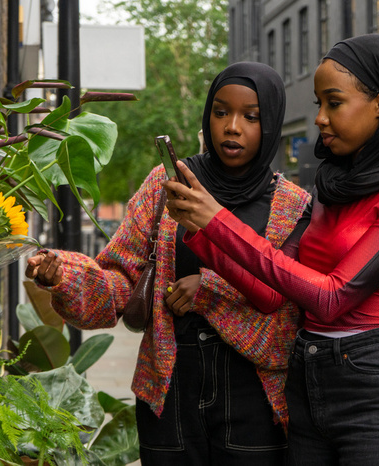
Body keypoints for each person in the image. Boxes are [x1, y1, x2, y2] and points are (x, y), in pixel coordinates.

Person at [165, 34, 379, 465]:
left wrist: (217, 221)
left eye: (333, 103)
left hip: (373, 383)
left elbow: (332, 296)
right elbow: (270, 293)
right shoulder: (332, 184)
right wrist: (199, 232)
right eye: (319, 103)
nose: (319, 118)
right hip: (306, 375)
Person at [25, 62, 311, 465]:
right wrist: (66, 276)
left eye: (251, 117)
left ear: (272, 124)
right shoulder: (167, 186)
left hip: (255, 399)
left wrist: (209, 289)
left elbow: (287, 305)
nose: (232, 127)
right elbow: (121, 281)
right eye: (220, 111)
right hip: (170, 390)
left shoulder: (292, 206)